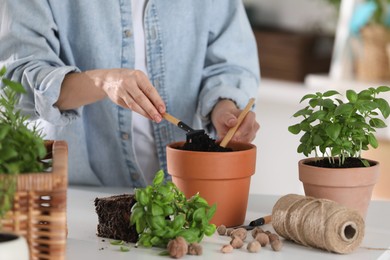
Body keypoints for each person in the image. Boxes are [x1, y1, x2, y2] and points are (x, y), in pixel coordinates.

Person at [0, 0, 260, 188]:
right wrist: (101, 81)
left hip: (183, 197)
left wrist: (224, 107)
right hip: (76, 197)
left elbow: (231, 63)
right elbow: (16, 83)